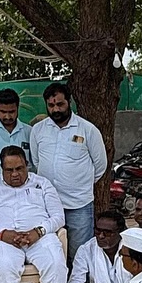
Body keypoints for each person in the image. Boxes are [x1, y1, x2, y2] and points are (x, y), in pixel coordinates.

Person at [0, 145, 68, 283]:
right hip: (4, 240)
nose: (15, 174)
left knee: (56, 264)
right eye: (9, 170)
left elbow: (59, 217)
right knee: (4, 268)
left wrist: (39, 231)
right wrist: (2, 233)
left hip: (40, 238)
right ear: (1, 169)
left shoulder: (42, 183)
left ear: (27, 166)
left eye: (19, 168)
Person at [29, 81, 108, 260]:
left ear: (69, 102)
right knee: (50, 254)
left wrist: (80, 184)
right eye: (51, 105)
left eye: (60, 104)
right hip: (46, 205)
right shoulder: (38, 130)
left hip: (79, 205)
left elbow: (100, 165)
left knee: (79, 255)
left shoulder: (88, 130)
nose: (55, 109)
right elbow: (36, 162)